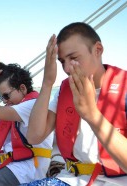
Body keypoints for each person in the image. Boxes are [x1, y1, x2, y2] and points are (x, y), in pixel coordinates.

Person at [25, 22, 127, 186]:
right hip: (70, 178)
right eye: (62, 61)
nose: (66, 68)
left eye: (73, 58)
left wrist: (91, 114)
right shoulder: (64, 91)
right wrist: (47, 83)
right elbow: (34, 136)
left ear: (97, 50)